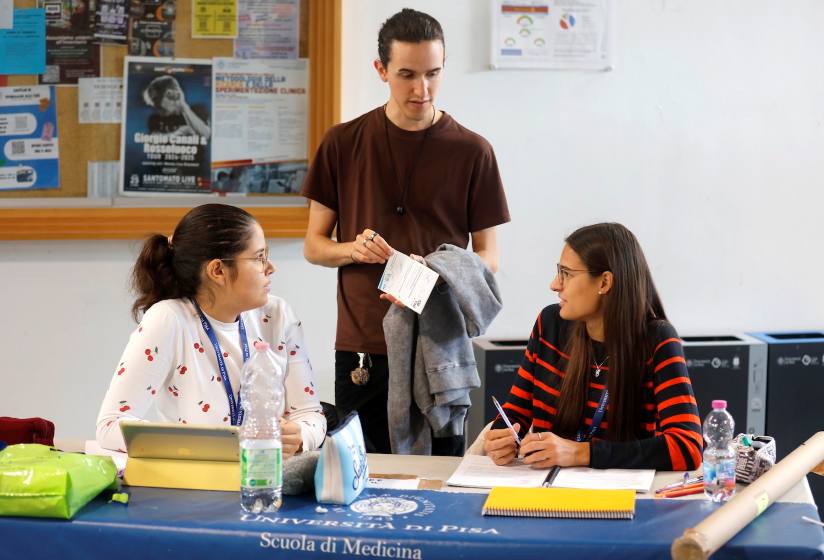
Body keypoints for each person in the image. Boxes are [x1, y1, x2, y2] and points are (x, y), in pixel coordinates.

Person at [301, 8, 510, 455]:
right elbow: (315, 247)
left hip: (440, 341)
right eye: (407, 75)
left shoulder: (473, 151)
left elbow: (489, 258)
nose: (422, 89)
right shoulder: (342, 143)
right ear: (381, 70)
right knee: (367, 476)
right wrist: (353, 250)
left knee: (442, 475)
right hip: (363, 345)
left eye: (433, 73)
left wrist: (437, 271)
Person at [96, 204, 326, 454]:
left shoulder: (278, 314)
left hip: (267, 478)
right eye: (259, 257)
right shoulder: (169, 320)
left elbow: (310, 414)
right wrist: (209, 445)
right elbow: (110, 424)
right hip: (197, 481)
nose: (271, 268)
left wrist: (302, 435)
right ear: (218, 270)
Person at [484, 223, 702, 471]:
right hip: (544, 492)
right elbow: (515, 413)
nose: (554, 284)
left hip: (620, 501)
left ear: (604, 282)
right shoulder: (550, 324)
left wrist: (581, 453)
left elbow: (688, 447)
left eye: (566, 273)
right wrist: (503, 437)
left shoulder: (657, 340)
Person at [143, 75, 211, 139]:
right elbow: (153, 138)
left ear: (171, 94)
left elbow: (206, 135)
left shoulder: (198, 110)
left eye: (159, 107)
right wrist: (177, 133)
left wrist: (183, 106)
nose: (158, 110)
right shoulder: (155, 119)